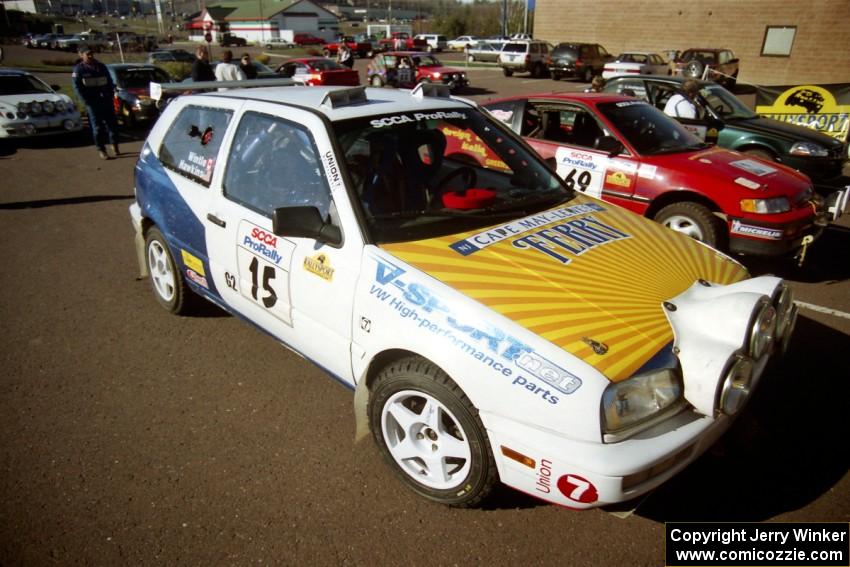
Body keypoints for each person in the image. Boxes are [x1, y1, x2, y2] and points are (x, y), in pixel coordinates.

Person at [72, 45, 119, 160]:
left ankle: (114, 144)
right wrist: (85, 101)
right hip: (93, 102)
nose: (90, 56)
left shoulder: (101, 67)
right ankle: (101, 149)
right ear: (81, 55)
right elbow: (77, 87)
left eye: (91, 54)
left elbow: (109, 81)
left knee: (112, 125)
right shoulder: (79, 70)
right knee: (98, 128)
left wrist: (112, 93)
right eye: (87, 54)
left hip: (106, 100)